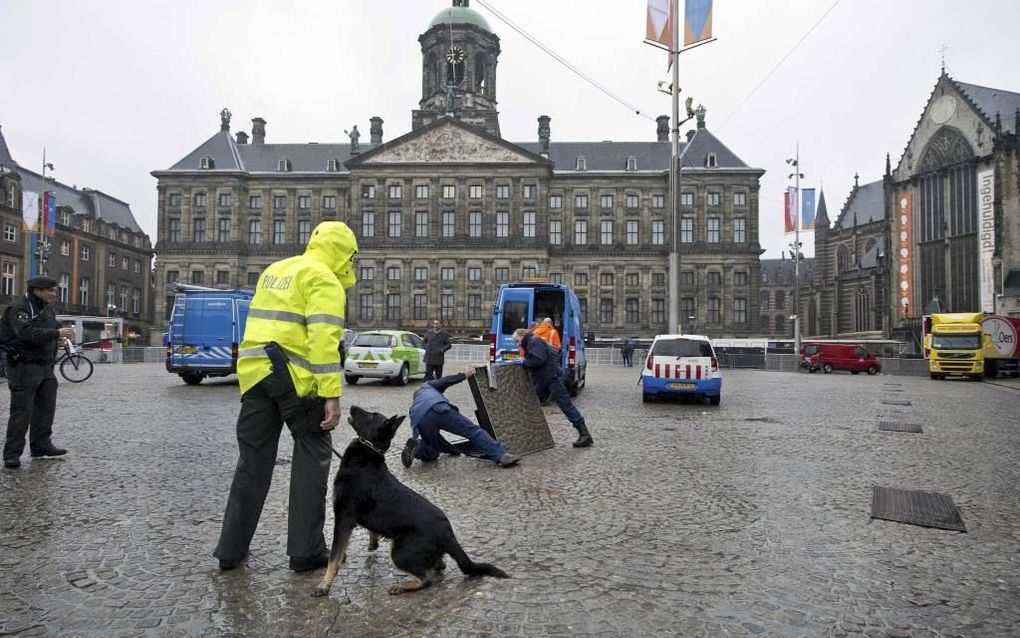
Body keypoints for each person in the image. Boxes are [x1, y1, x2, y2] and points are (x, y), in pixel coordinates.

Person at [214, 221, 358, 572]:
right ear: (342, 252)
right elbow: (323, 342)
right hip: (297, 381)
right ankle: (306, 552)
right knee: (312, 461)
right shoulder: (323, 278)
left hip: (255, 376)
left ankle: (230, 551)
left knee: (252, 465)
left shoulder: (275, 270)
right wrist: (331, 396)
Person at [1, 276, 76, 469]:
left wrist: (61, 333)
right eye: (50, 290)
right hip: (24, 366)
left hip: (45, 366)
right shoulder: (20, 308)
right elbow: (26, 333)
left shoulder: (46, 308)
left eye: (54, 289)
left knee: (45, 409)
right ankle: (12, 453)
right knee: (21, 412)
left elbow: (51, 327)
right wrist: (57, 334)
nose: (54, 293)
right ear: (36, 290)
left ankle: (41, 445)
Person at [402, 364, 520, 468]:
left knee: (431, 450)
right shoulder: (427, 386)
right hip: (439, 408)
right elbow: (446, 381)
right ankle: (501, 456)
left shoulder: (414, 408)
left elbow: (437, 440)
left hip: (421, 419)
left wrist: (454, 450)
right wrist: (464, 375)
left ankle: (417, 451)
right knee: (473, 431)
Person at [512, 328, 593, 448]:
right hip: (547, 378)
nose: (517, 344)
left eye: (517, 340)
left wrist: (524, 362)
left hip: (551, 378)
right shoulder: (533, 341)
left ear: (522, 336)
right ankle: (529, 435)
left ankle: (585, 434)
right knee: (532, 404)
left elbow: (538, 360)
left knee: (566, 405)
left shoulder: (533, 341)